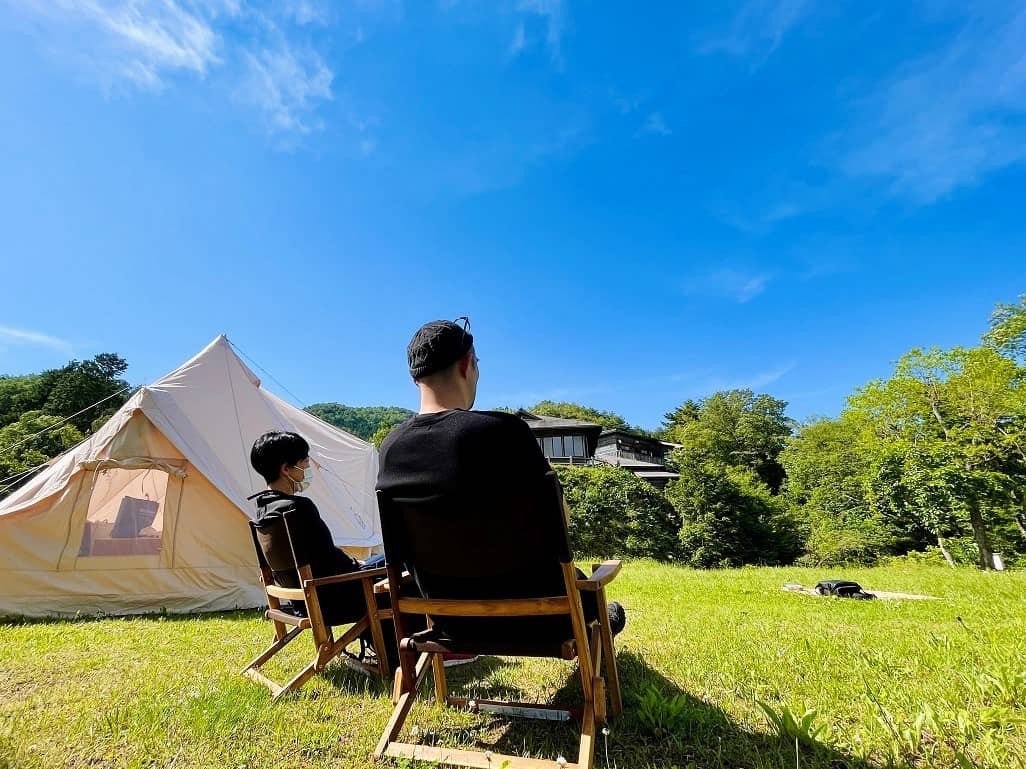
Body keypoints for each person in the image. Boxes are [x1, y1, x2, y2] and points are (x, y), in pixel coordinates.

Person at [376, 318, 626, 654]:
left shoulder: (391, 449)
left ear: (415, 378)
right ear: (468, 365)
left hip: (448, 620)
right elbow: (559, 525)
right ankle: (601, 621)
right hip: (546, 617)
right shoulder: (503, 432)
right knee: (609, 611)